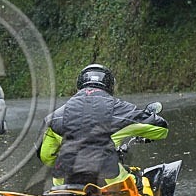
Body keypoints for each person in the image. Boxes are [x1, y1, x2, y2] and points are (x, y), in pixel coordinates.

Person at [38, 64, 168, 186]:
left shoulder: (54, 117)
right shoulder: (119, 109)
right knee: (142, 184)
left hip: (65, 182)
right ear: (110, 86)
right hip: (109, 180)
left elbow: (45, 156)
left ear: (79, 85)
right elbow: (160, 128)